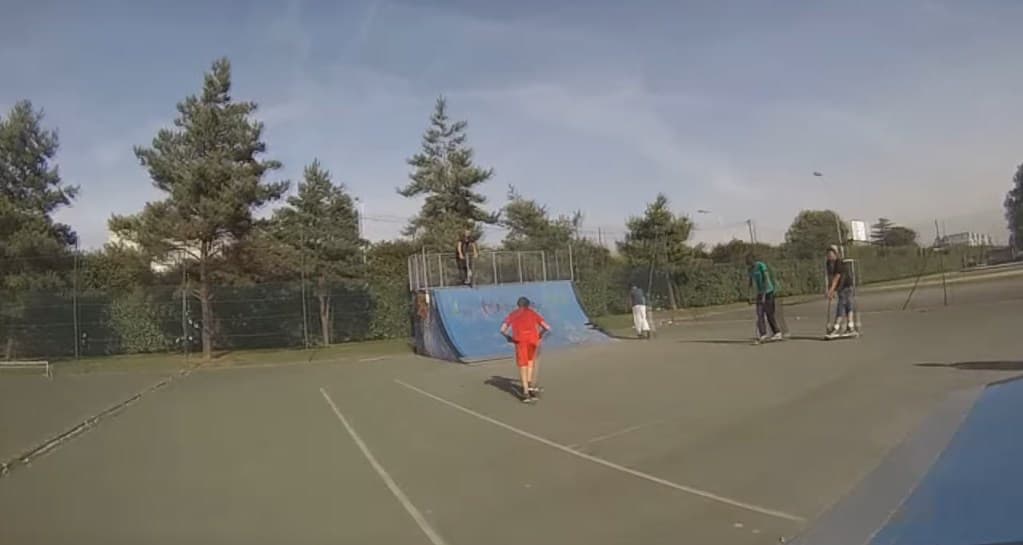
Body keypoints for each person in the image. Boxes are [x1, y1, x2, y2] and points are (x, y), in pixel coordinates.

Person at [500, 297, 551, 403]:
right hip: (532, 341)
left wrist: (508, 337)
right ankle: (530, 386)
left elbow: (502, 329)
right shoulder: (533, 313)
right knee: (530, 363)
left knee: (523, 366)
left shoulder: (513, 314)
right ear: (528, 305)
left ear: (518, 305)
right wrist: (540, 335)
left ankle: (526, 391)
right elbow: (547, 327)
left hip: (520, 342)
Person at [746, 254, 783, 342]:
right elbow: (750, 283)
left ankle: (777, 333)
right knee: (759, 313)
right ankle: (763, 334)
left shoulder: (761, 265)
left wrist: (764, 294)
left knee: (769, 313)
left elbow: (766, 279)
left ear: (753, 260)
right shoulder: (750, 269)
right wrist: (749, 295)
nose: (748, 263)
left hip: (768, 291)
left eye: (749, 261)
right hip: (760, 292)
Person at [825, 245, 858, 336]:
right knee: (846, 305)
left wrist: (832, 290)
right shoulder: (828, 263)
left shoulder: (839, 262)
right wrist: (829, 289)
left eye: (831, 254)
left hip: (846, 285)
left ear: (836, 254)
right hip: (840, 287)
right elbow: (830, 277)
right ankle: (850, 327)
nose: (830, 256)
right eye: (828, 255)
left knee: (843, 305)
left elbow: (837, 277)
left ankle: (836, 327)